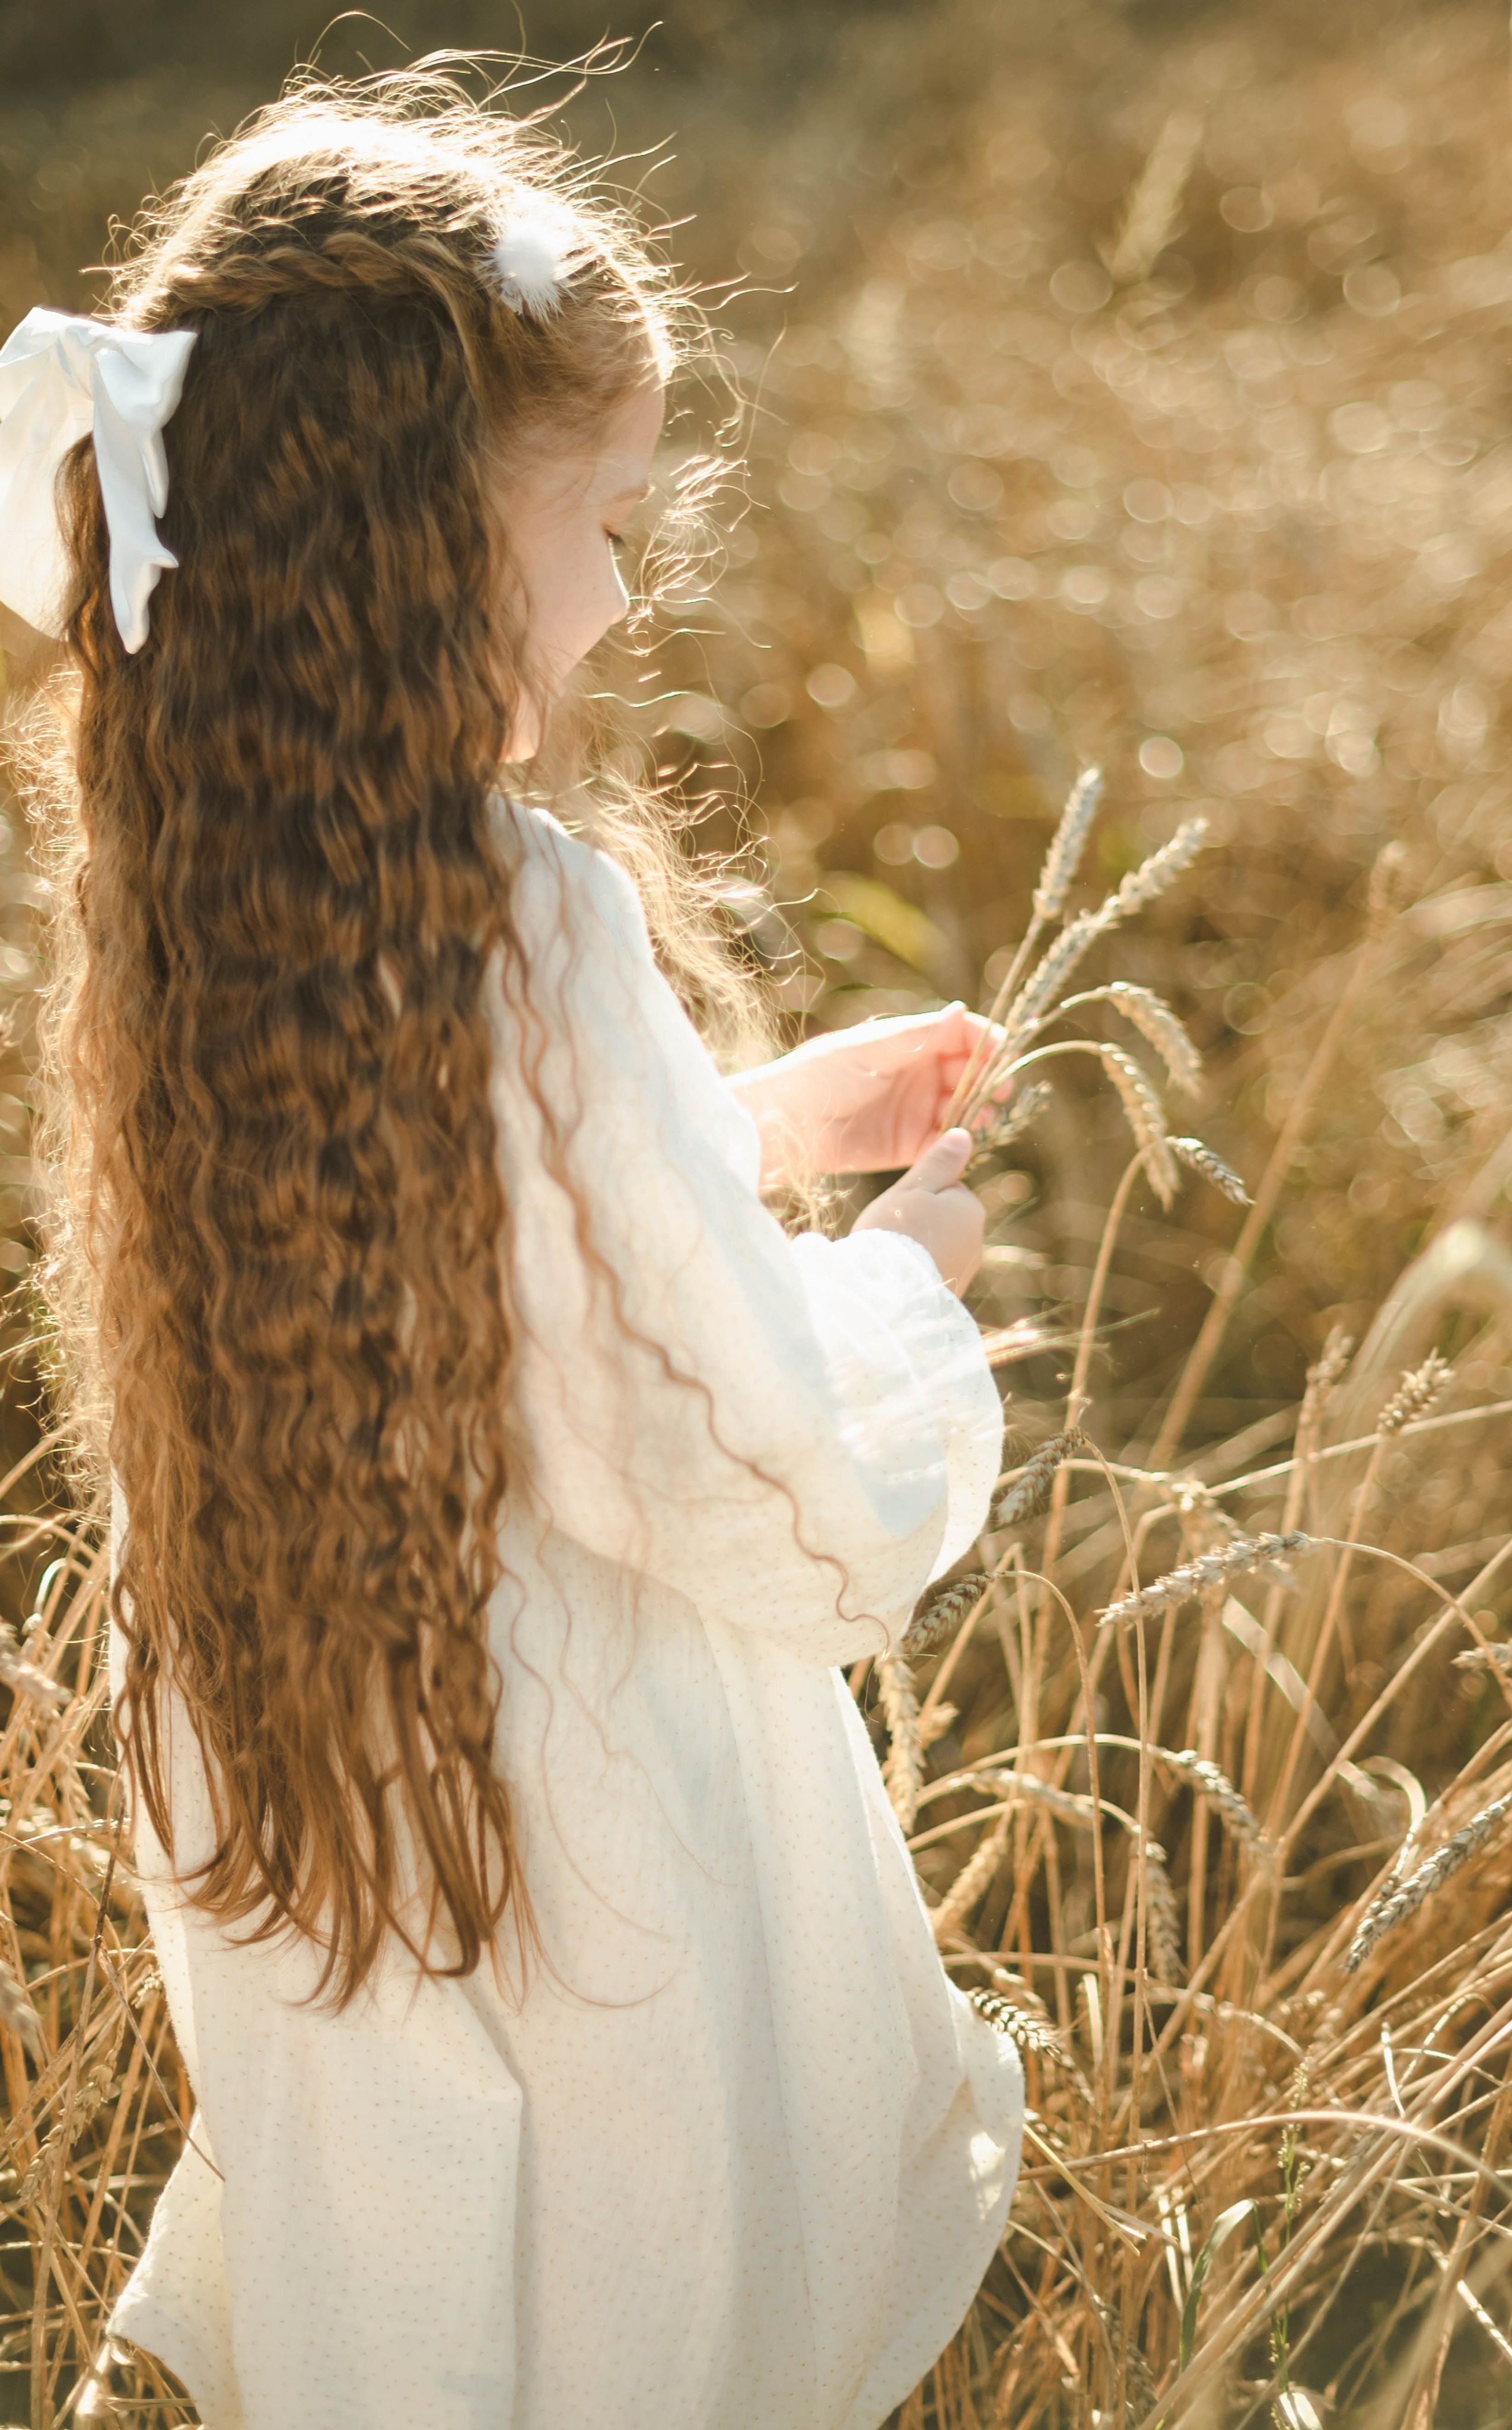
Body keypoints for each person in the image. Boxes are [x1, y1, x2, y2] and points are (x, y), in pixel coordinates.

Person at [0, 71, 1024, 2430]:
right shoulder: (522, 913)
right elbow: (704, 1434)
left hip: (330, 1753)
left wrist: (759, 1120)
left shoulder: (194, 885)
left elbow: (465, 1238)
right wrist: (902, 1289)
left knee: (421, 2265)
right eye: (602, 526)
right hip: (560, 1774)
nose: (621, 591)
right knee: (627, 2261)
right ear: (435, 547)